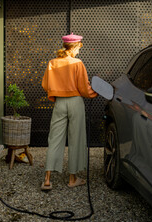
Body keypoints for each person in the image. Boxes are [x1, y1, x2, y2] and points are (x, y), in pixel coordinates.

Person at [41, 33, 98, 190]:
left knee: (54, 139)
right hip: (75, 103)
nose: (79, 52)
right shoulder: (77, 63)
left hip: (59, 103)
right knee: (76, 139)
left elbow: (45, 85)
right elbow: (84, 88)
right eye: (79, 48)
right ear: (74, 47)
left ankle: (47, 179)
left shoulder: (52, 63)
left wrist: (58, 91)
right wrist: (96, 92)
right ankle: (72, 179)